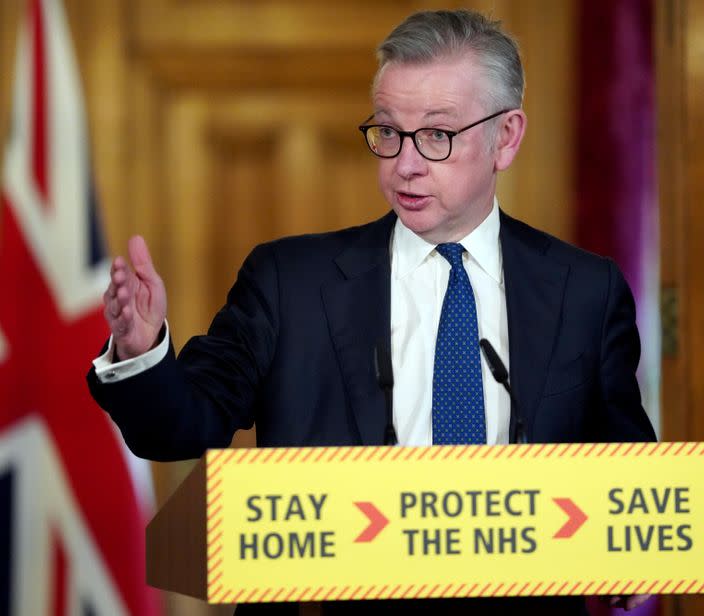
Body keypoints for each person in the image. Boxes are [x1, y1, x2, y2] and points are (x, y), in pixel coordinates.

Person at [87, 9, 655, 616]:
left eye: (437, 135)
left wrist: (630, 558)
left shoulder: (585, 291)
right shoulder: (290, 283)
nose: (405, 164)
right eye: (388, 131)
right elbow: (181, 427)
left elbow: (627, 479)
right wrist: (141, 353)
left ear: (506, 137)